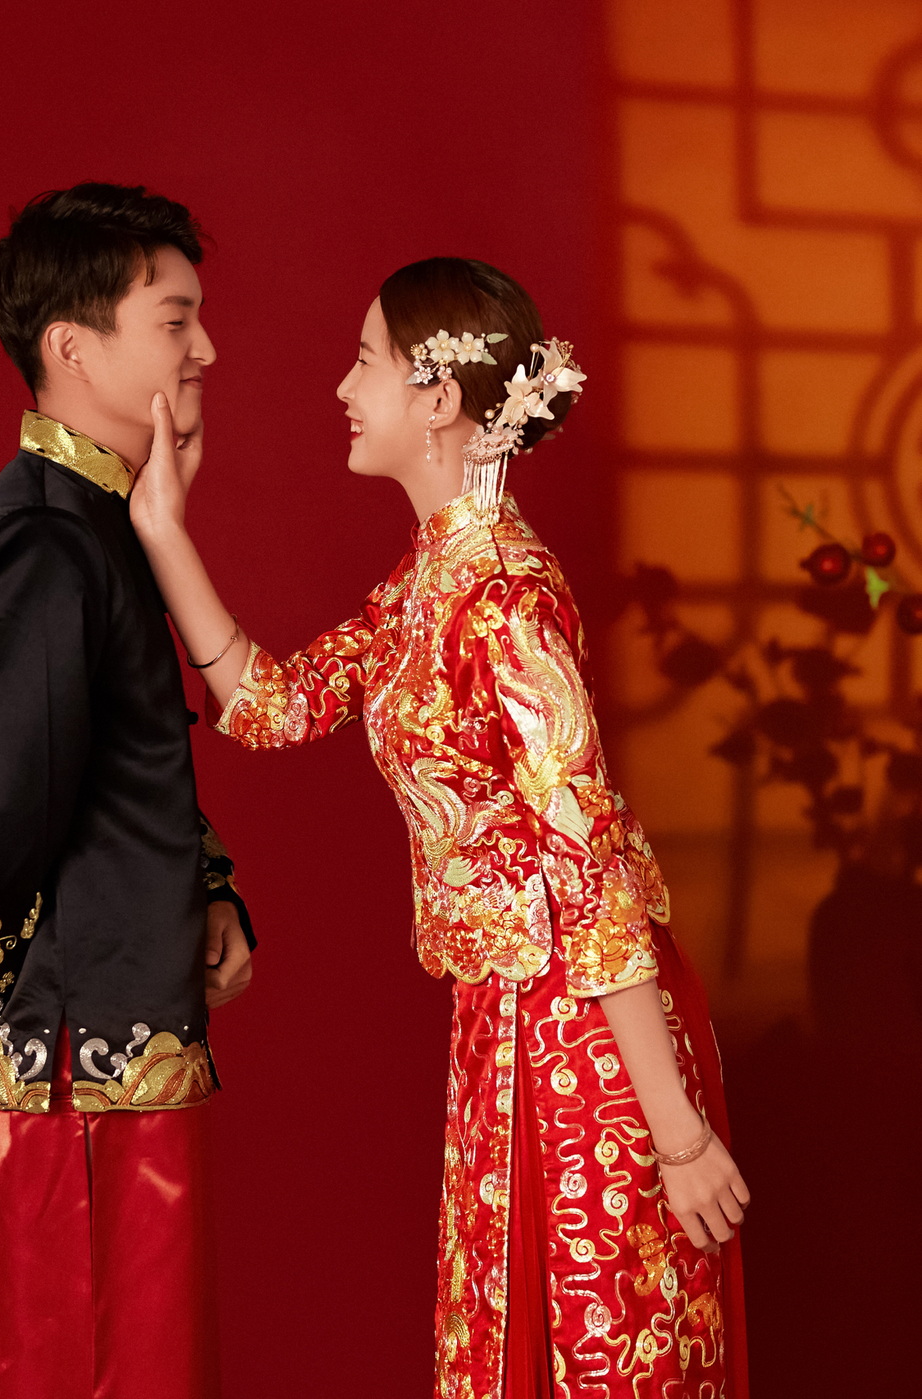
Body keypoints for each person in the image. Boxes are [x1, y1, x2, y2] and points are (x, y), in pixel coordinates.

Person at [131, 257, 749, 1398]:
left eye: (365, 360)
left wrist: (677, 1133)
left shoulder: (504, 594)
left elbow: (589, 860)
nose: (342, 388)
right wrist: (164, 529)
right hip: (501, 1017)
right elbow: (273, 706)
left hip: (583, 1035)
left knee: (603, 1355)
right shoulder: (431, 578)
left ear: (440, 398)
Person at [0, 183, 254, 1399]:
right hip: (71, 1066)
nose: (205, 348)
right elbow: (5, 810)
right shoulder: (48, 540)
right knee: (83, 1367)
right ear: (72, 346)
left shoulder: (102, 520)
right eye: (175, 320)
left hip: (110, 1041)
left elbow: (117, 757)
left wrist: (208, 889)